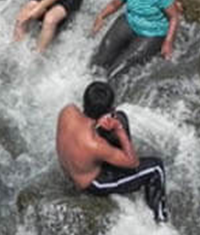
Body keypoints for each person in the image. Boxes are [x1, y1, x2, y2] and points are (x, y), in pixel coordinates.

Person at [56, 81, 169, 222]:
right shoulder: (96, 144)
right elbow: (133, 162)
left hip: (72, 169)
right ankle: (160, 218)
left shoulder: (68, 111)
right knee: (156, 167)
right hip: (93, 183)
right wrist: (119, 130)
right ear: (108, 111)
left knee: (121, 116)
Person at [91, 0, 180, 79]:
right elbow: (114, 4)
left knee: (119, 70)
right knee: (100, 58)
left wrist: (168, 42)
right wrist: (101, 16)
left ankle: (107, 89)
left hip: (153, 31)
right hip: (130, 22)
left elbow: (174, 17)